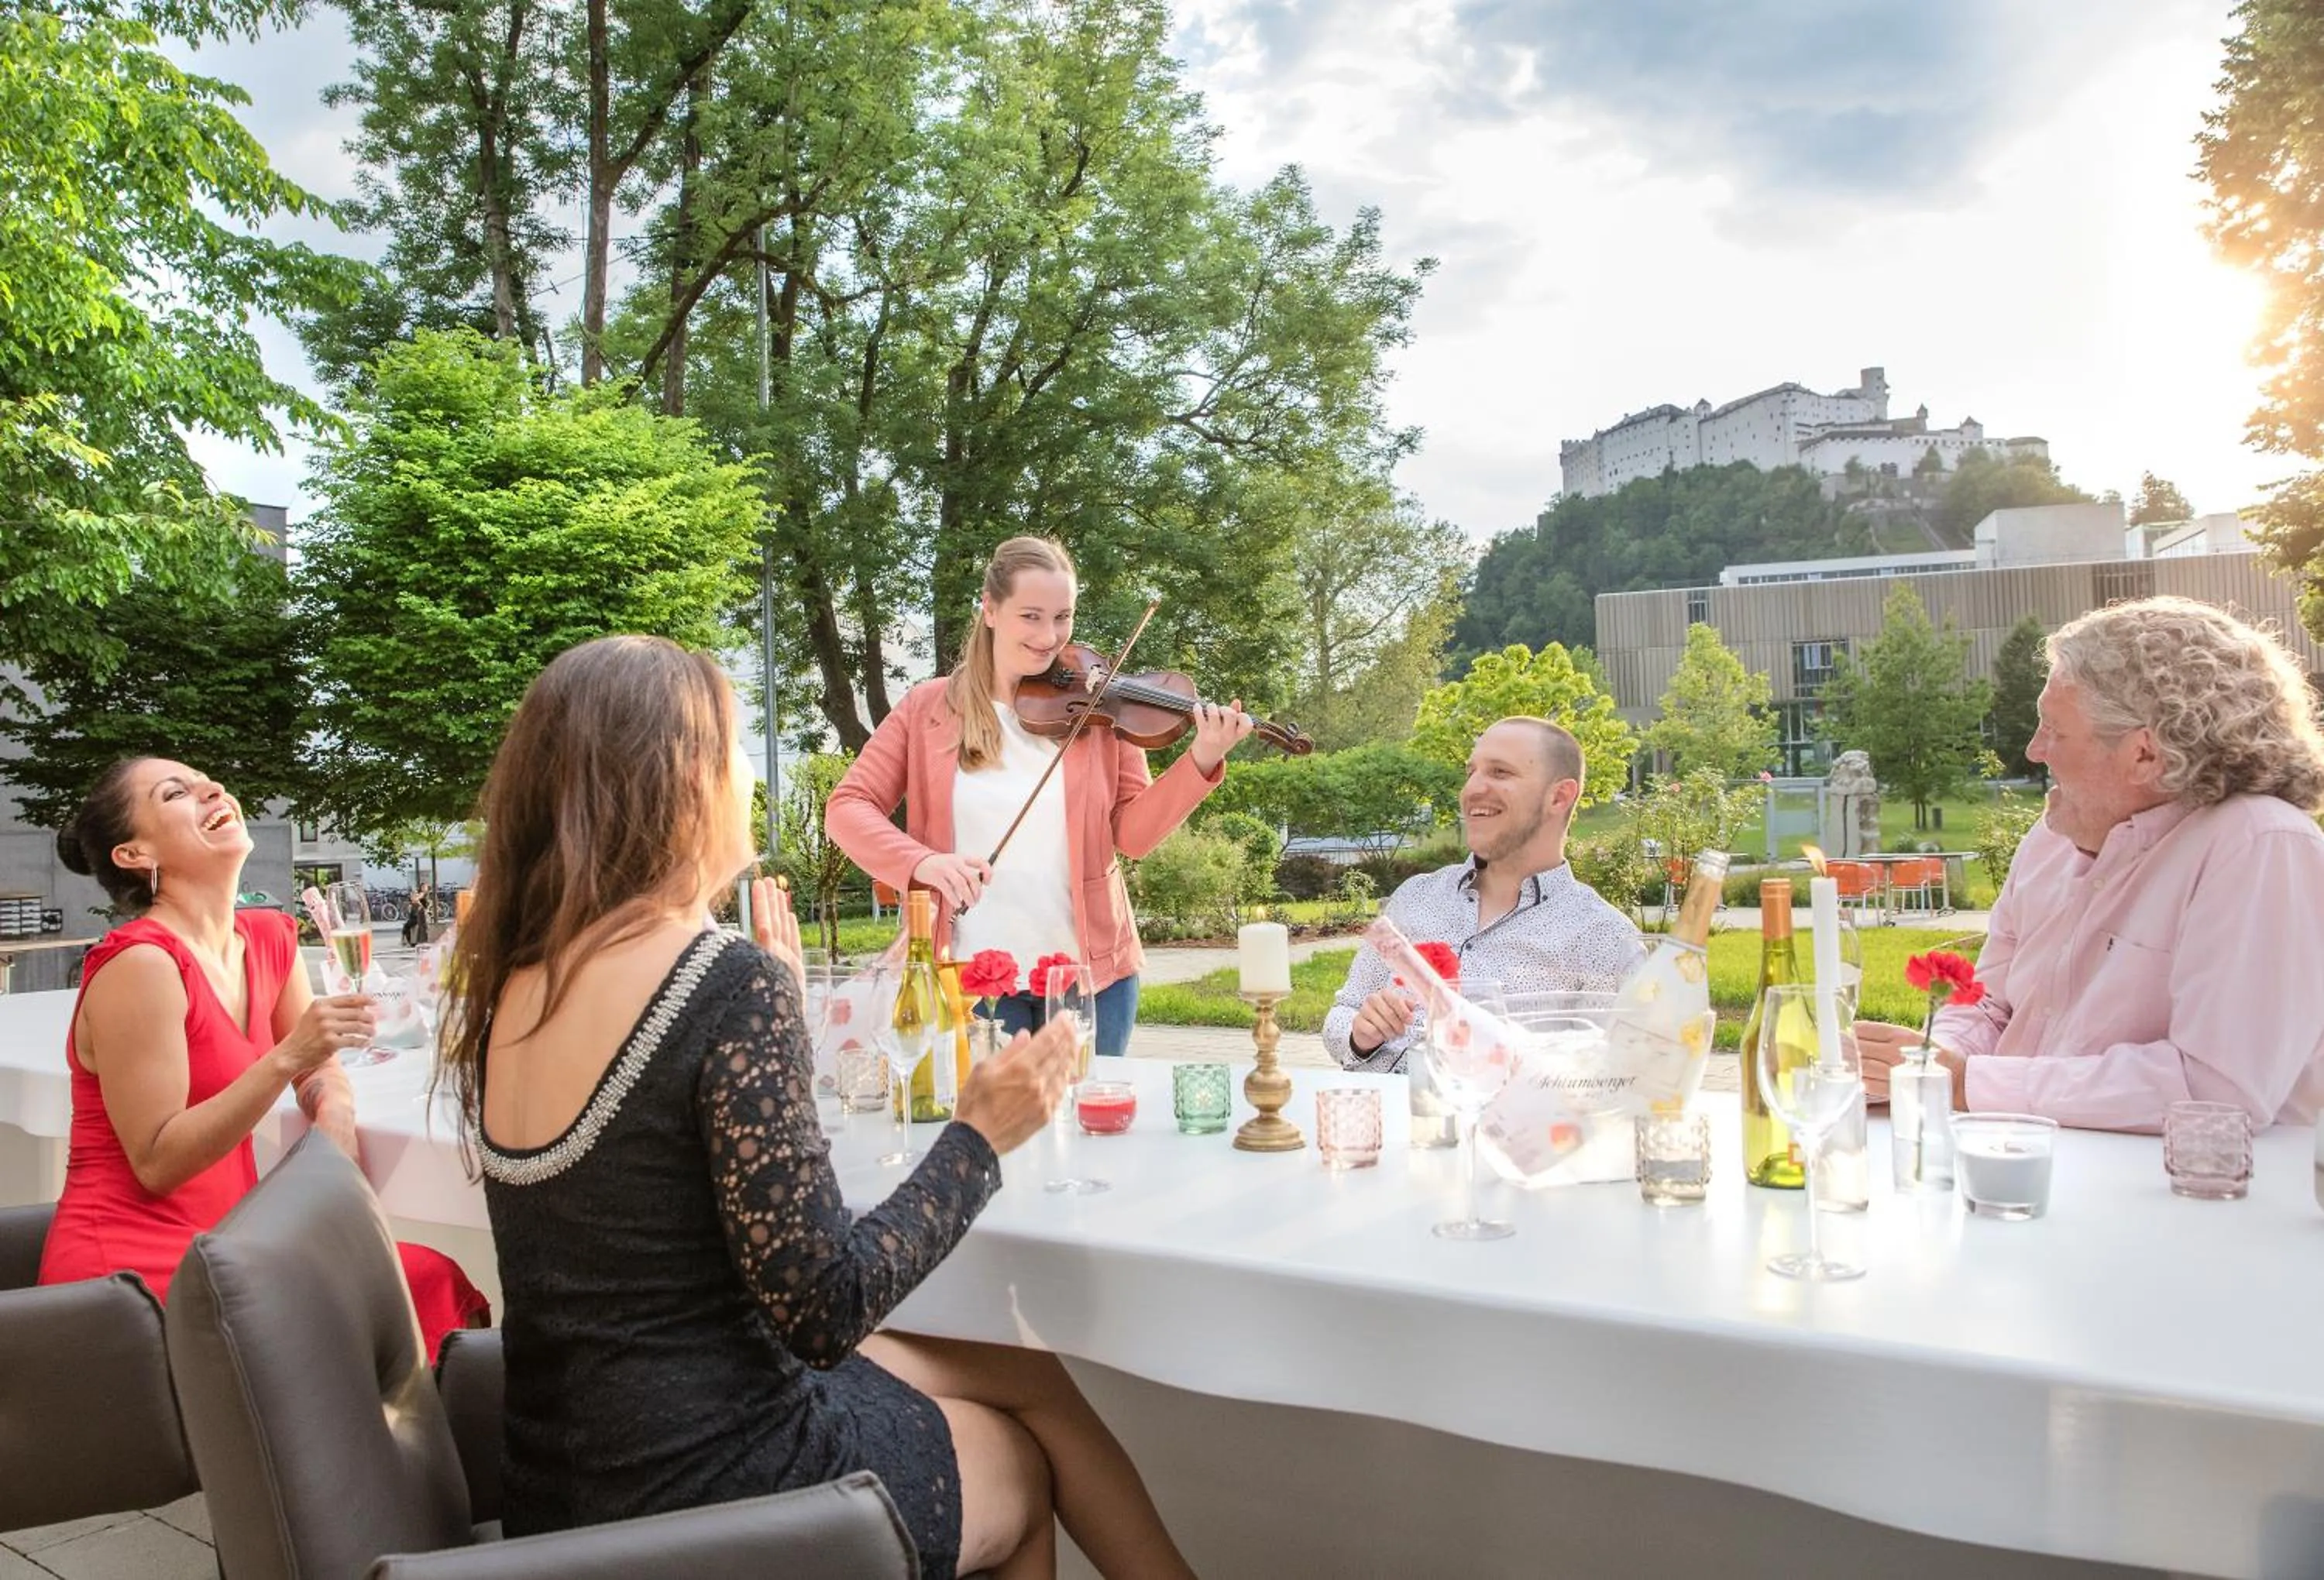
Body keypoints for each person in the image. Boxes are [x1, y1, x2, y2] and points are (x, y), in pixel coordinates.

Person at [444, 635, 1194, 1579]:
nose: (749, 775)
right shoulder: (719, 980)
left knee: (1024, 1371)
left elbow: (645, 1214)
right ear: (681, 779)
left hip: (567, 1471)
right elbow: (822, 1308)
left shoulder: (513, 980)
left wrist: (777, 1019)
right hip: (714, 1481)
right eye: (733, 749)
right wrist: (979, 1136)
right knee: (1017, 1461)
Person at [38, 759, 489, 1356]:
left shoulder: (269, 938)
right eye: (177, 793)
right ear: (135, 854)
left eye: (207, 781)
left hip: (228, 1244)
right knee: (412, 1288)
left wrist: (332, 1111)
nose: (212, 790)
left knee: (430, 1279)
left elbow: (318, 1062)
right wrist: (284, 1058)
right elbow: (156, 1160)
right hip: (134, 1274)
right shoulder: (142, 965)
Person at [1857, 597, 2324, 1131]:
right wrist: (1921, 1063)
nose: (2035, 750)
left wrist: (1966, 1083)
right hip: (2032, 1170)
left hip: (2196, 1202)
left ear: (2145, 754)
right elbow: (1988, 1005)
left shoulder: (2260, 845)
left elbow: (2214, 1090)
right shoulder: (2052, 840)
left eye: (2054, 730)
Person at [826, 535, 1250, 1057]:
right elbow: (847, 808)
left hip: (1090, 981)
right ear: (990, 610)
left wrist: (1201, 759)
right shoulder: (928, 708)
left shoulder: (1098, 709)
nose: (1050, 636)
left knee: (1090, 1134)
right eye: (1031, 616)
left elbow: (1133, 837)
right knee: (988, 1135)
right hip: (972, 980)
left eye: (1063, 616)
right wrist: (923, 864)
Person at [1324, 717, 1645, 1071]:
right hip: (1376, 1116)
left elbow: (1616, 1079)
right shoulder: (1416, 896)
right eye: (1471, 772)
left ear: (1559, 796)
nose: (1471, 789)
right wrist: (1360, 1035)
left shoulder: (1605, 939)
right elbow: (1342, 1013)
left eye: (1500, 772)